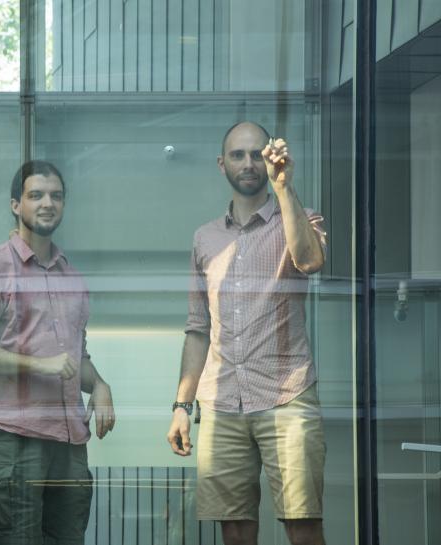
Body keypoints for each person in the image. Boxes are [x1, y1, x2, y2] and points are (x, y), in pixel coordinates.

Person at [167, 122, 327, 545]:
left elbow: (309, 261)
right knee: (234, 527)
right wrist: (182, 405)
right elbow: (198, 328)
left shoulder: (300, 217)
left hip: (286, 394)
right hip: (221, 402)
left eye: (257, 153)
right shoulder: (206, 238)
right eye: (238, 155)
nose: (248, 162)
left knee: (302, 522)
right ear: (222, 165)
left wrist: (284, 188)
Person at [0, 160, 115, 545]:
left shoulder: (71, 277)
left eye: (56, 196)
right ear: (15, 205)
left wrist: (101, 386)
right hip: (16, 438)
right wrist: (39, 365)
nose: (48, 203)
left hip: (70, 443)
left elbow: (78, 358)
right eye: (36, 195)